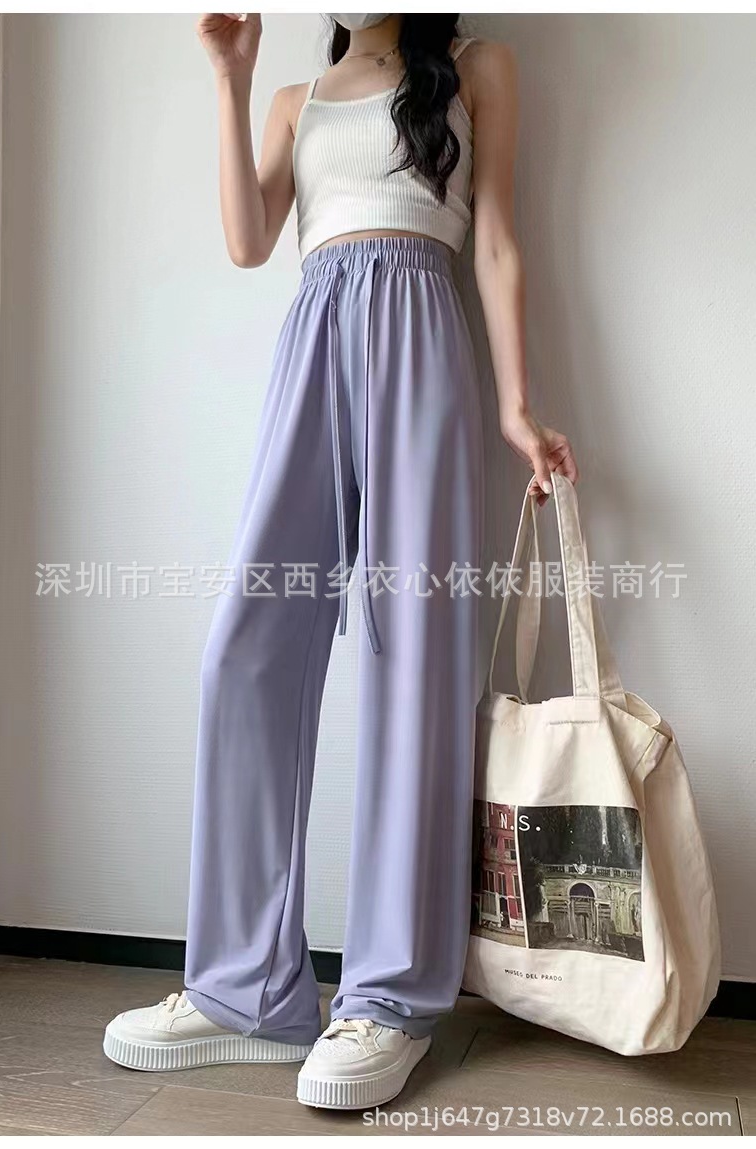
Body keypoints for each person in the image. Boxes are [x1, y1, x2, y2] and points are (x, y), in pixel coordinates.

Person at [103, 12, 578, 1110]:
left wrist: (515, 405)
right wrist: (229, 79)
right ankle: (244, 991)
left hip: (423, 339)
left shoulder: (476, 70)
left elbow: (496, 238)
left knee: (415, 660)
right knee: (248, 650)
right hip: (313, 336)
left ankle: (390, 997)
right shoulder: (295, 99)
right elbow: (247, 240)